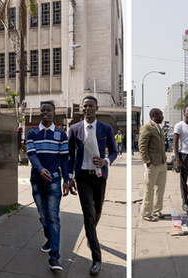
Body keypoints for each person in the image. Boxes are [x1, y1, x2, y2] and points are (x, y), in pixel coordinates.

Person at [68, 96, 117, 276]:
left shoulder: (106, 128)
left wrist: (105, 161)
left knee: (98, 211)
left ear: (96, 108)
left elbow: (113, 151)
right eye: (85, 106)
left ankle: (91, 234)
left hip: (99, 177)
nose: (87, 109)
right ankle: (96, 258)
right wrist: (69, 177)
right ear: (81, 108)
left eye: (91, 106)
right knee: (88, 214)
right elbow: (70, 155)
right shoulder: (74, 129)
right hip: (83, 178)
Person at [26, 101, 69, 271]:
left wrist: (66, 179)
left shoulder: (61, 134)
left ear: (53, 113)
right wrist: (40, 168)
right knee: (43, 216)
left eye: (48, 110)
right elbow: (31, 154)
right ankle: (49, 238)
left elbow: (65, 158)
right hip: (37, 179)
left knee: (53, 218)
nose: (45, 113)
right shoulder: (32, 133)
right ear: (40, 113)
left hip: (54, 181)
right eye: (42, 110)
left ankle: (54, 257)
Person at [138, 108, 167, 221]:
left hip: (161, 162)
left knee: (160, 188)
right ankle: (146, 213)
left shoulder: (159, 128)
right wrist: (146, 160)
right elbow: (142, 145)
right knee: (149, 189)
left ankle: (157, 210)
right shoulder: (147, 127)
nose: (162, 117)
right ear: (155, 115)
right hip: (152, 163)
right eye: (161, 115)